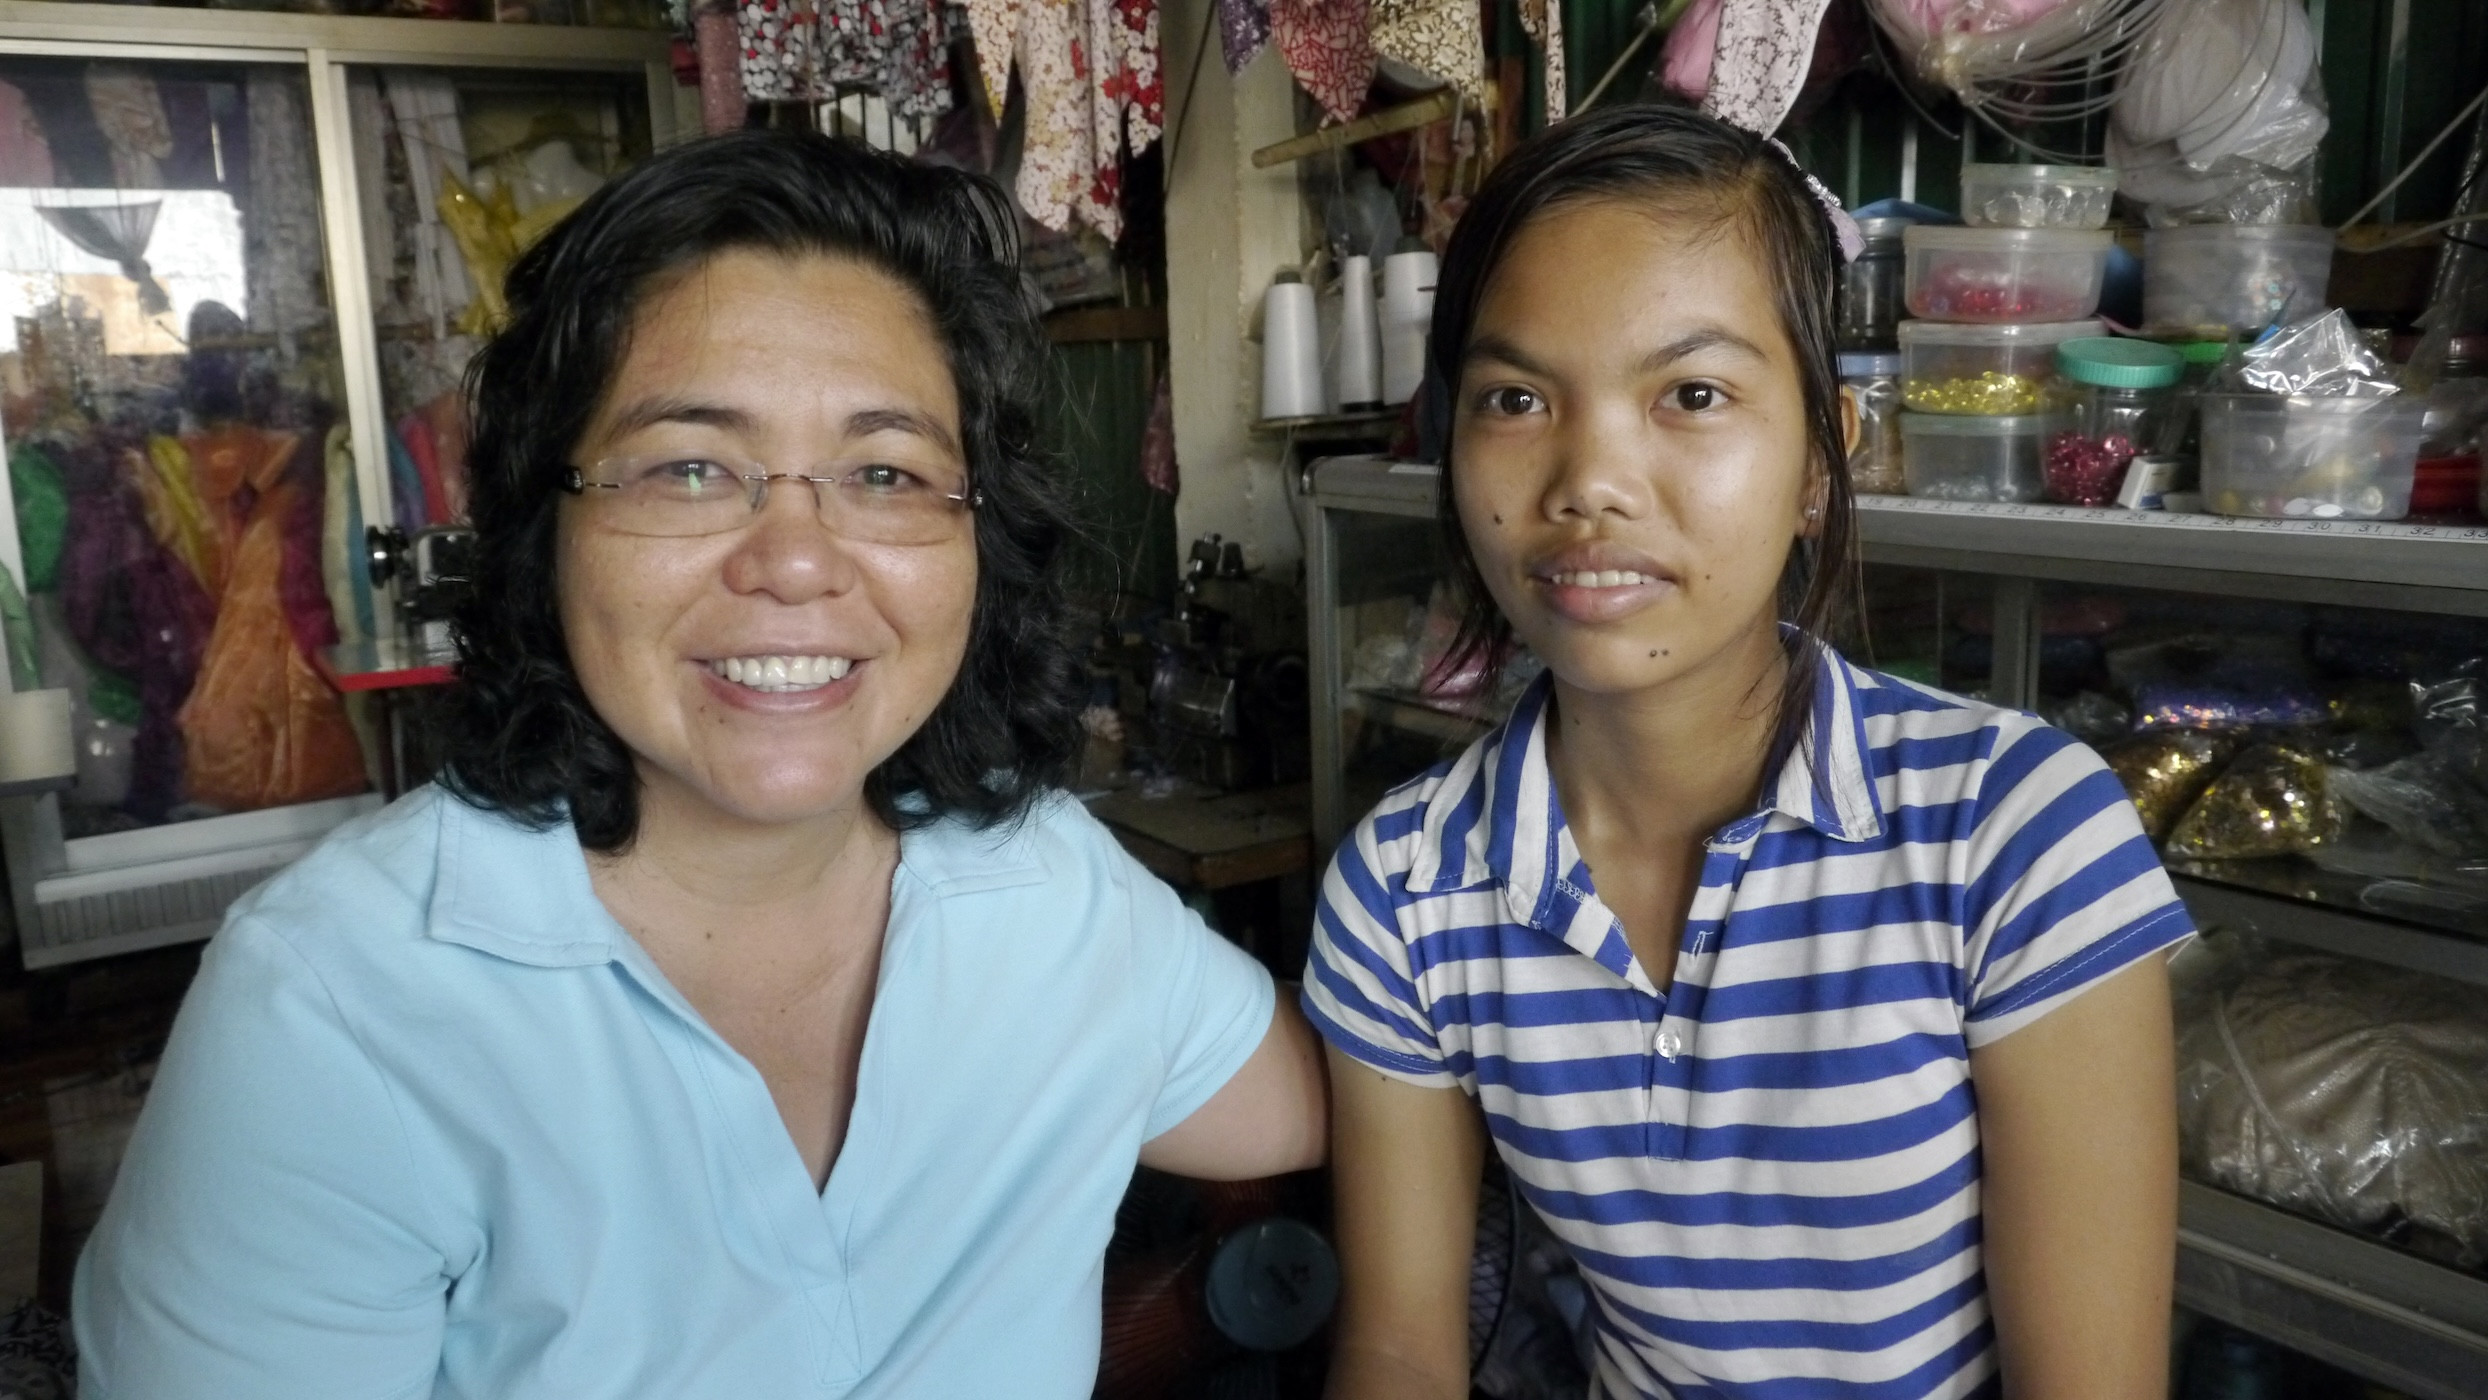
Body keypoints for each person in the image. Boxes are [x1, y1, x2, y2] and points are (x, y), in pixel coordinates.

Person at [75, 129, 1327, 1399]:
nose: (794, 558)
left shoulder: (1047, 888)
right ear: (542, 521)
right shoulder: (341, 1003)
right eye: (688, 468)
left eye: (885, 470)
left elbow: (1314, 1100)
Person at [1306, 105, 2189, 1400]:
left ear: (1821, 458)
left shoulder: (2015, 834)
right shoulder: (1405, 892)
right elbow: (1396, 1351)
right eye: (1514, 397)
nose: (1590, 479)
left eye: (1694, 394)